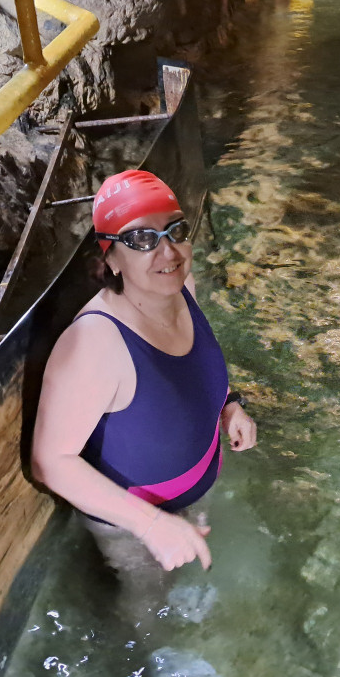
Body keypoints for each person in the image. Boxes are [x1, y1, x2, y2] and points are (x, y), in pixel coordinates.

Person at [32, 169, 257, 574]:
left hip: (196, 488)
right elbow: (50, 461)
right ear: (111, 257)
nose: (169, 252)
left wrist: (229, 406)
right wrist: (151, 526)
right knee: (149, 620)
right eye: (141, 240)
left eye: (175, 230)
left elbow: (191, 374)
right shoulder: (95, 342)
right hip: (132, 527)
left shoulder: (182, 287)